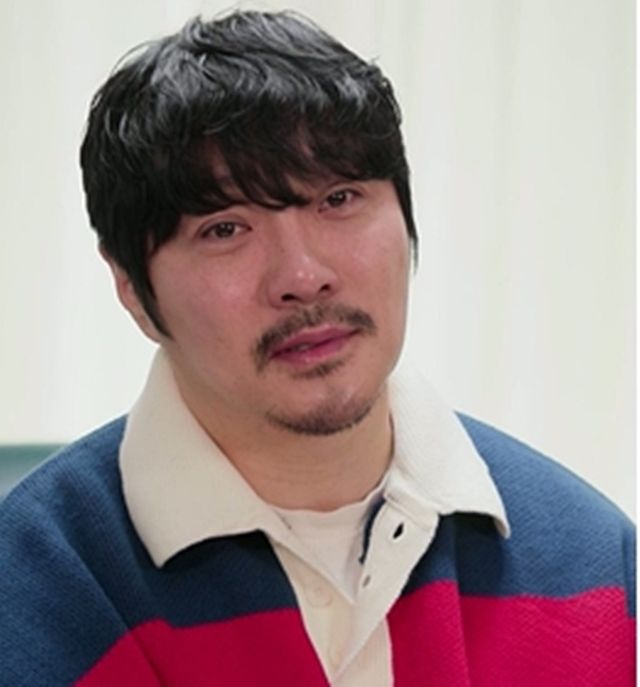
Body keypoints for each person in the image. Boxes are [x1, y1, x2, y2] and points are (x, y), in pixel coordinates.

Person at [0, 10, 634, 687]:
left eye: (338, 199)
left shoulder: (595, 565)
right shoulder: (36, 582)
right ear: (131, 285)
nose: (303, 277)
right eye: (224, 229)